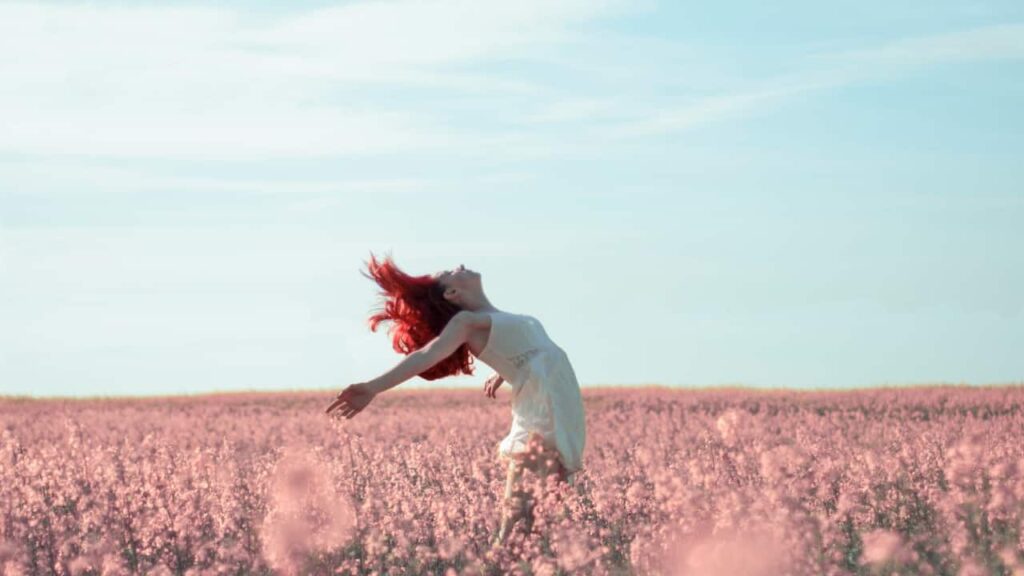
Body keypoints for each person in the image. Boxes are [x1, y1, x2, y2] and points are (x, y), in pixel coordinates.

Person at [325, 251, 586, 546]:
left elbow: (532, 354)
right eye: (449, 271)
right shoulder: (467, 321)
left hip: (560, 412)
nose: (459, 265)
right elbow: (428, 353)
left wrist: (506, 372)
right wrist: (374, 387)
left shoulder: (498, 319)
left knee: (541, 528)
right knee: (517, 530)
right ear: (452, 292)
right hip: (543, 416)